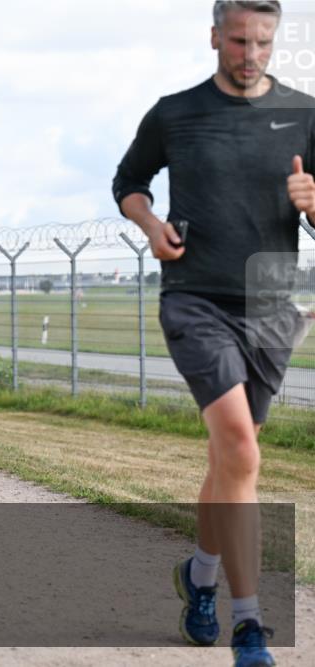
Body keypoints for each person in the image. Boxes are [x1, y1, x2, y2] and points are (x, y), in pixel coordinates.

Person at [112, 3, 313, 665]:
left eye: (263, 42)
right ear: (214, 36)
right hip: (194, 299)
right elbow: (129, 182)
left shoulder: (304, 114)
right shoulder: (176, 113)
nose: (250, 54)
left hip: (270, 308)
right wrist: (151, 227)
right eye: (238, 40)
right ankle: (249, 624)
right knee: (242, 452)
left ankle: (199, 576)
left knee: (229, 459)